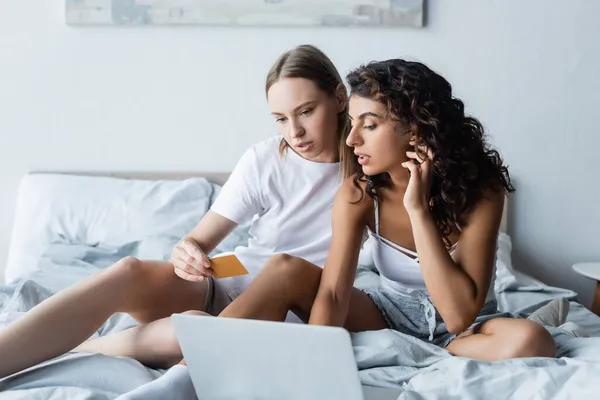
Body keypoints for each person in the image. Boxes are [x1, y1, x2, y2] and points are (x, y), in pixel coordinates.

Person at [0, 44, 350, 379]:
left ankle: (87, 348)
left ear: (338, 98)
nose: (295, 132)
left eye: (305, 111)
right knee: (128, 270)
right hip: (227, 279)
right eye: (280, 118)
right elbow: (197, 239)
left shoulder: (372, 169)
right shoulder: (265, 158)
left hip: (283, 310)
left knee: (192, 332)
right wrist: (188, 252)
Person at [217, 58, 557, 362]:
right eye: (352, 123)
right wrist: (316, 361)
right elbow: (334, 293)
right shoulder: (359, 194)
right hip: (388, 313)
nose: (351, 140)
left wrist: (418, 210)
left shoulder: (482, 192)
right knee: (284, 269)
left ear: (416, 128)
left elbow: (457, 318)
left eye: (370, 124)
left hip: (471, 327)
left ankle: (441, 350)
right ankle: (185, 376)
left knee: (532, 340)